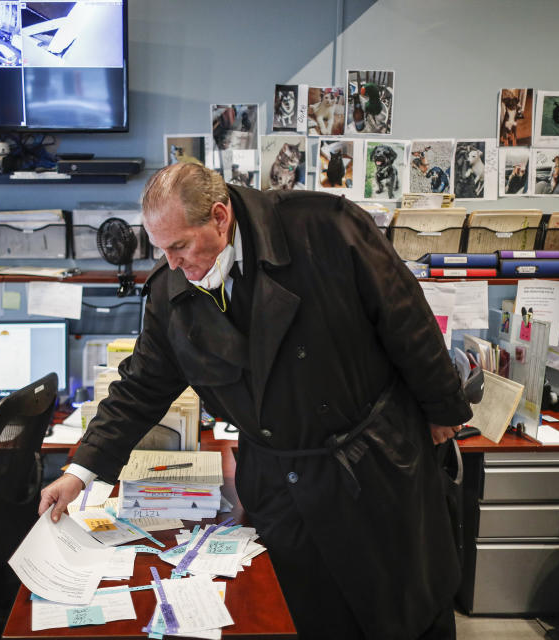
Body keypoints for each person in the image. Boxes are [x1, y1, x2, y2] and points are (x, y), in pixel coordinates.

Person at [38, 162, 472, 639]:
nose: (173, 263)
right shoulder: (172, 290)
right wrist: (79, 472)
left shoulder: (325, 227)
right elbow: (140, 386)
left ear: (220, 217)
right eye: (162, 249)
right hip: (279, 483)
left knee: (404, 611)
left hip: (369, 466)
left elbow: (406, 318)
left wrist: (441, 411)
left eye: (180, 245)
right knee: (307, 617)